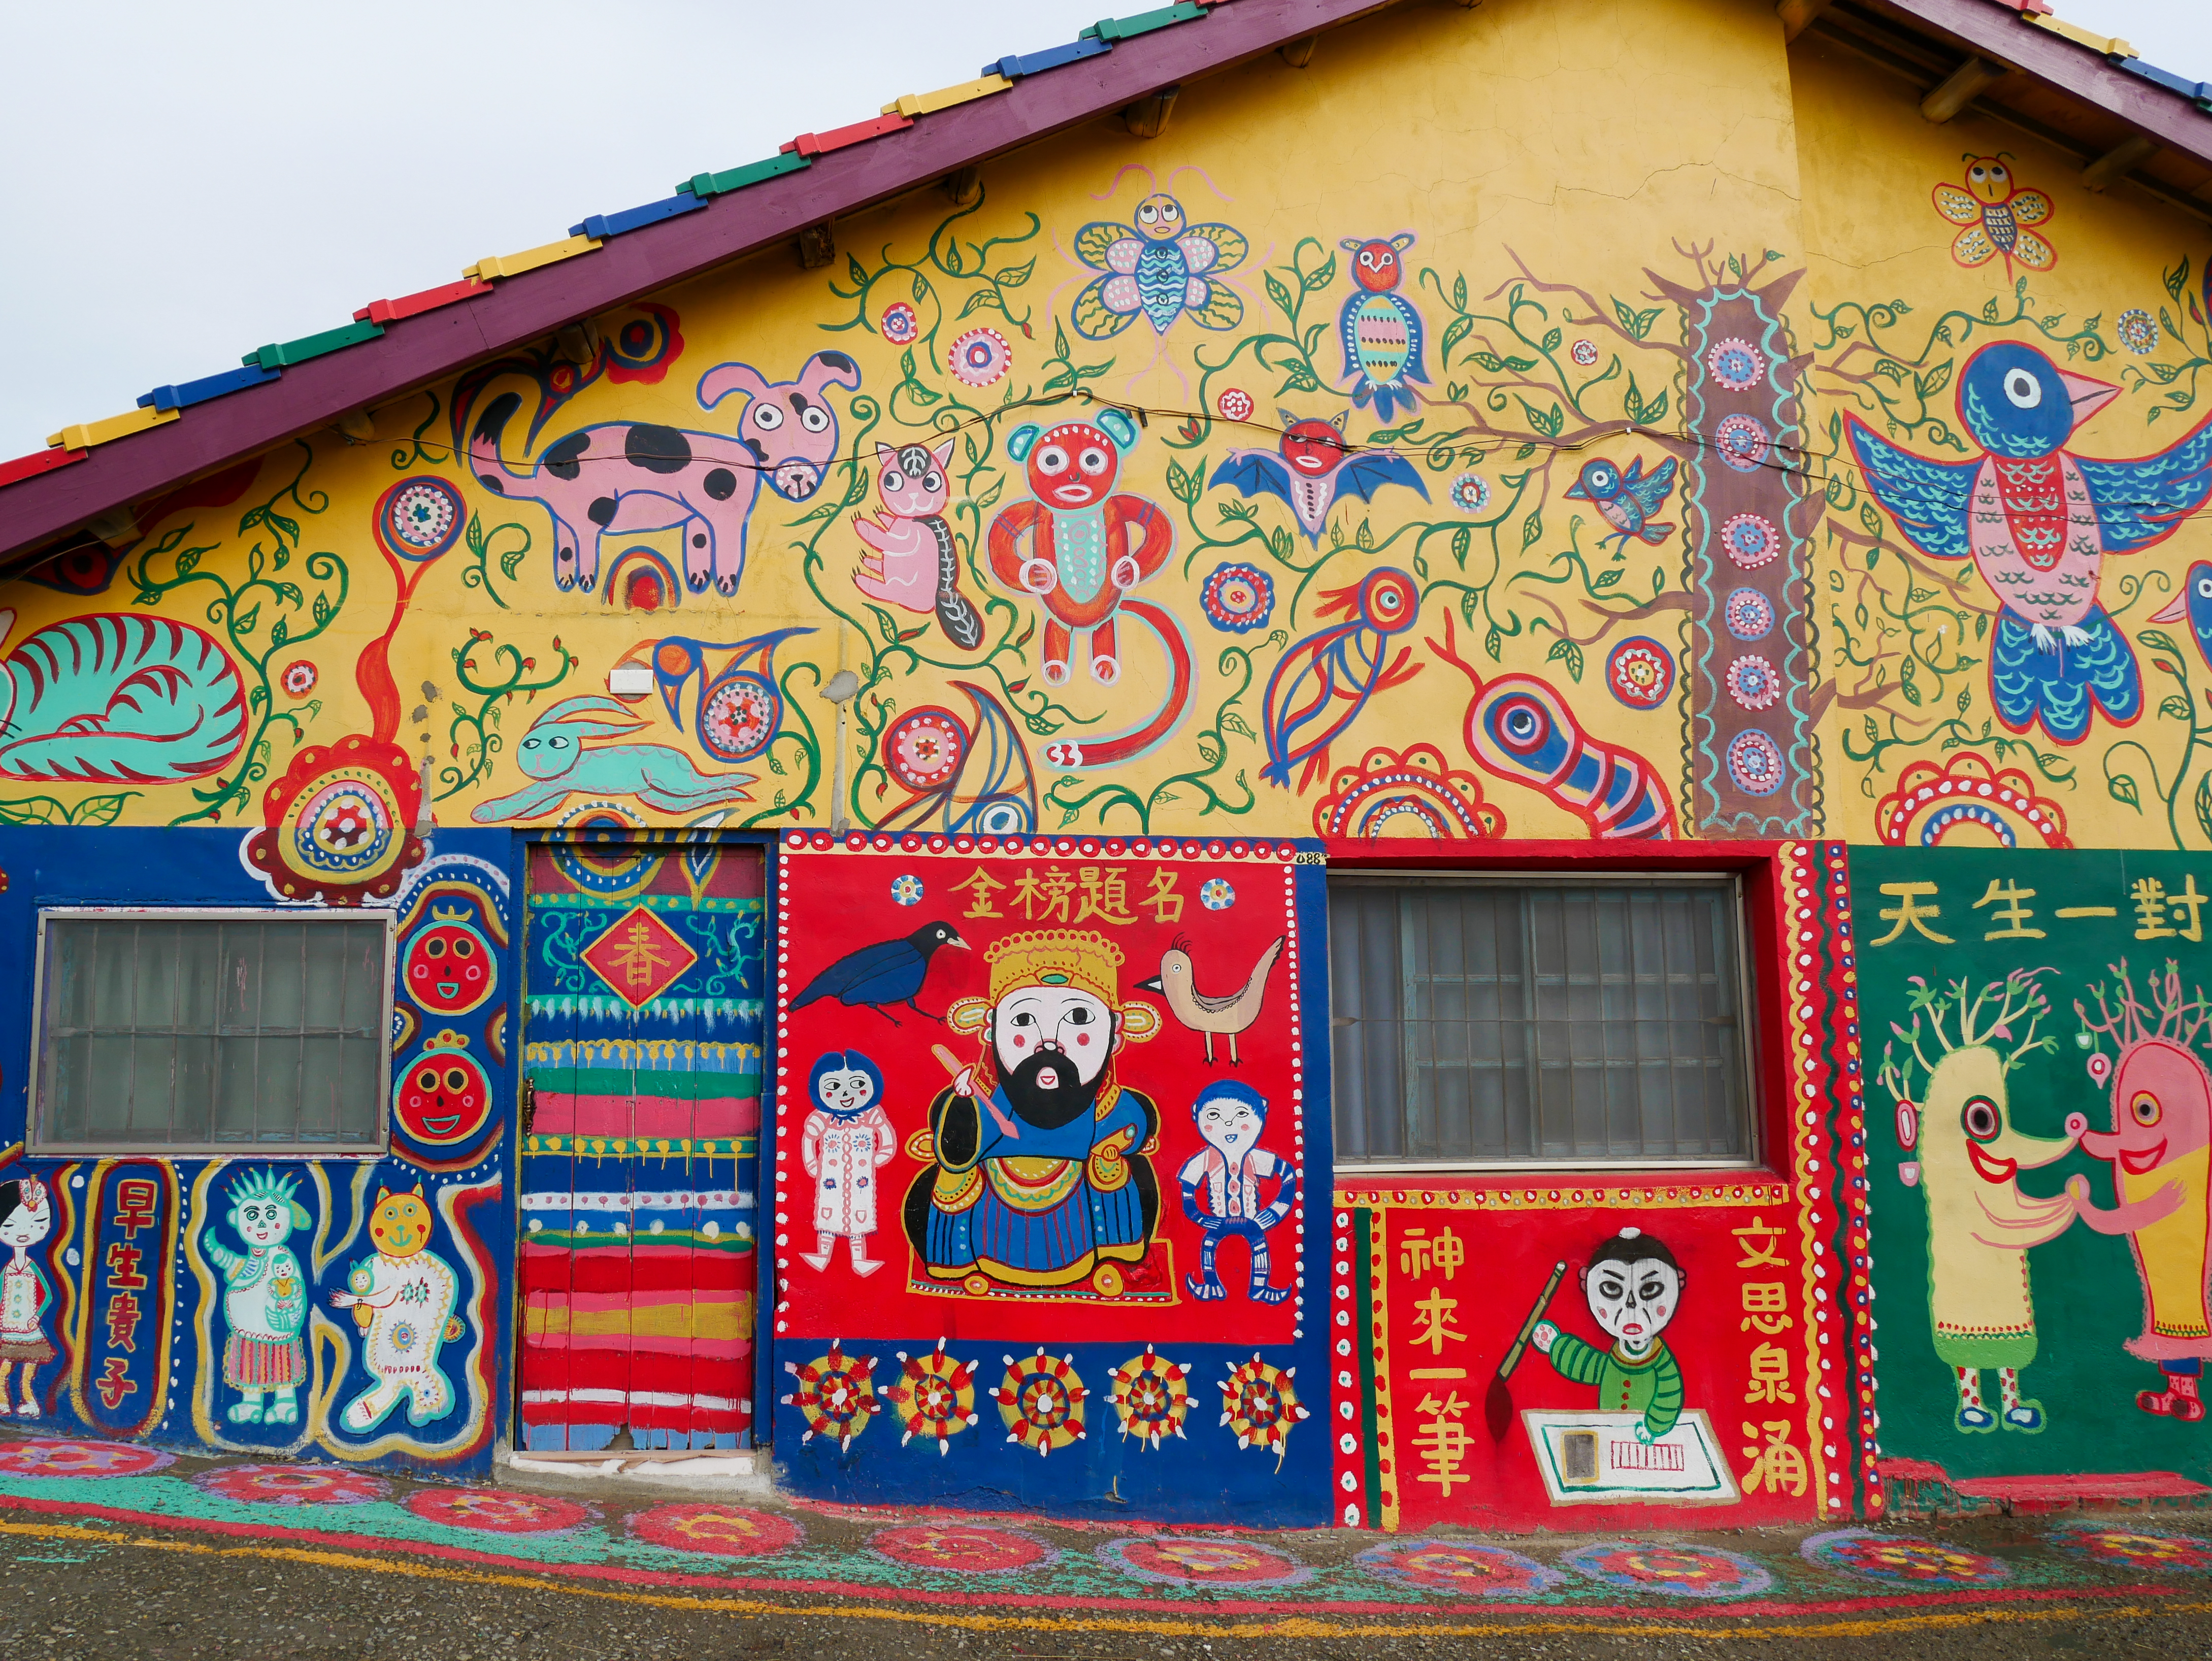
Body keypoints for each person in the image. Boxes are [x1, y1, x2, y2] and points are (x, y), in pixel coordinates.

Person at [903, 929, 1161, 1290]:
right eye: (1024, 1020)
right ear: (992, 1031)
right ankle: (956, 1262)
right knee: (953, 1181)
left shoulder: (1107, 1103)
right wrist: (963, 1103)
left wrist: (1114, 1143)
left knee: (1111, 1169)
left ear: (1114, 1035)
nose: (1049, 1042)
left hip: (1076, 1202)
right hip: (995, 1199)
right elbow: (958, 1151)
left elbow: (1131, 1126)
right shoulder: (986, 1099)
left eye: (1079, 1017)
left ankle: (1115, 1252)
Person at [1532, 1227, 1686, 1443]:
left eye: (1650, 1288)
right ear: (1587, 1284)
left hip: (1648, 1442)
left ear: (1678, 1282)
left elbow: (1670, 1393)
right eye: (1612, 1288)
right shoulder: (1616, 1357)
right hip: (1610, 1439)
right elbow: (1592, 1366)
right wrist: (1557, 1346)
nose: (1631, 1305)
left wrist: (1654, 1427)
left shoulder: (1662, 1361)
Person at [1177, 1080, 1297, 1303]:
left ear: (1261, 1111)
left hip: (1252, 1220)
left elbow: (1288, 1175)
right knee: (1209, 1244)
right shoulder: (1206, 1159)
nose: (1229, 1124)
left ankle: (1260, 1287)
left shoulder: (1254, 1157)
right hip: (1220, 1221)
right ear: (1197, 1114)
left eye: (1242, 1114)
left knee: (1259, 1245)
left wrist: (1274, 1213)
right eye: (1214, 1116)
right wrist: (1201, 1218)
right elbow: (1187, 1190)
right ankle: (1212, 1284)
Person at [798, 1050, 896, 1276]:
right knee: (829, 1213)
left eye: (857, 1084)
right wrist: (812, 1164)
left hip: (861, 1179)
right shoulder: (822, 1118)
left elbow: (886, 1137)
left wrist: (881, 1156)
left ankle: (860, 1260)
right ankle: (823, 1255)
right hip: (831, 1178)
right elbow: (809, 1138)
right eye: (833, 1086)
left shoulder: (871, 1115)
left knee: (859, 1216)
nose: (845, 1093)